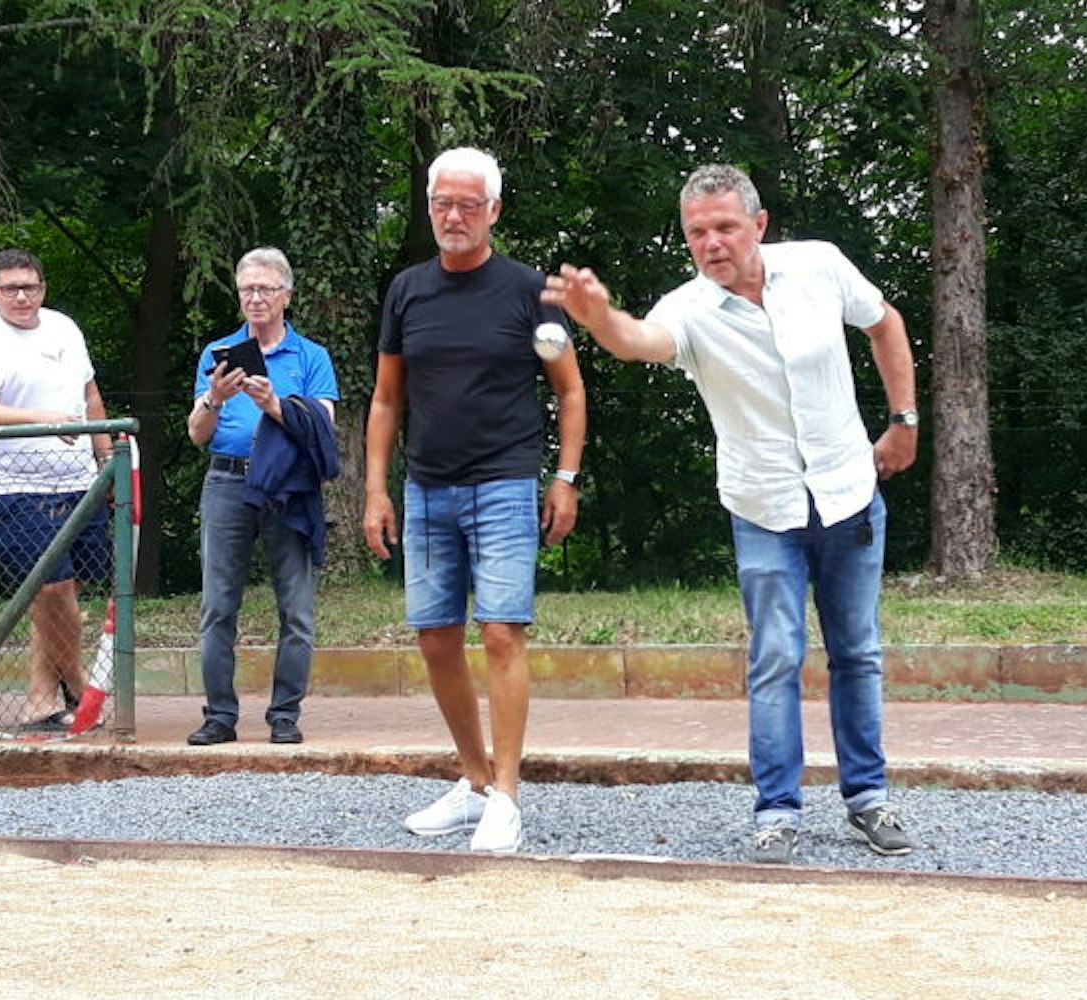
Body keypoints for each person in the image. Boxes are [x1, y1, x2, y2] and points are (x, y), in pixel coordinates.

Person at [543, 164, 918, 864]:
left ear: (759, 225)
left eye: (724, 227)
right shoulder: (688, 309)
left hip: (847, 493)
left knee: (858, 652)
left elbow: (885, 322)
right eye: (696, 232)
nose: (711, 243)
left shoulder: (819, 265)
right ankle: (776, 811)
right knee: (775, 656)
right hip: (763, 507)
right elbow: (638, 340)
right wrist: (598, 319)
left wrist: (904, 421)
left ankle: (868, 799)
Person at [364, 147, 586, 853]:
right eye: (442, 203)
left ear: (494, 210)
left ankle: (509, 796)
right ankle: (476, 782)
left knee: (499, 632)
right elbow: (386, 398)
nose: (453, 216)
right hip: (426, 488)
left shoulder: (530, 291)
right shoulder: (406, 291)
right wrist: (375, 488)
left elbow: (570, 390)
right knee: (435, 637)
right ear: (429, 208)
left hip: (505, 484)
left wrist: (565, 477)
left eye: (467, 204)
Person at [185, 247, 341, 747]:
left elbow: (323, 427)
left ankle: (285, 715)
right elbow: (196, 434)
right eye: (247, 289)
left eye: (265, 289)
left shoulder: (311, 356)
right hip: (227, 482)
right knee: (217, 605)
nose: (255, 298)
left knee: (296, 607)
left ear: (285, 295)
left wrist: (273, 404)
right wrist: (215, 398)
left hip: (287, 487)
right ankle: (219, 716)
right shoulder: (218, 353)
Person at [0, 248, 112, 731]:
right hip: (12, 487)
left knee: (58, 596)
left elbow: (90, 396)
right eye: (11, 288)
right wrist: (41, 420)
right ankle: (82, 690)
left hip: (78, 482)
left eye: (30, 287)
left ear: (43, 287)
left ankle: (40, 702)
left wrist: (105, 460)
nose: (21, 296)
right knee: (52, 589)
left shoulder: (64, 328)